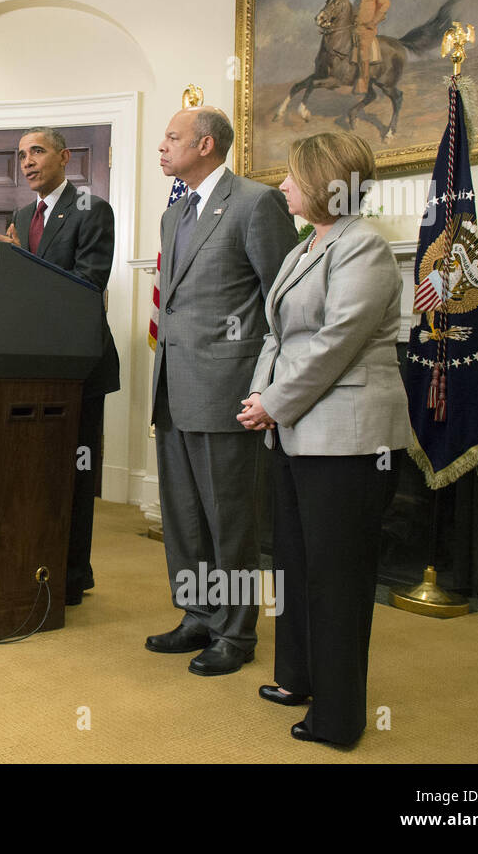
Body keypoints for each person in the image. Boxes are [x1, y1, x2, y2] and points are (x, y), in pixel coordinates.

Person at [238, 131, 409, 746]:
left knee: (336, 576)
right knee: (294, 563)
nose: (281, 186)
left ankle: (339, 718)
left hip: (348, 441)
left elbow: (337, 342)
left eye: (291, 176)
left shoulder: (363, 247)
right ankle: (296, 676)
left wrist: (275, 404)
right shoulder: (305, 247)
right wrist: (261, 400)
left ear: (325, 182)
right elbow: (276, 336)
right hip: (293, 431)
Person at [146, 106, 296, 675]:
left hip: (228, 390)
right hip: (173, 388)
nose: (162, 146)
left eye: (171, 137)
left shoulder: (257, 203)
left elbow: (282, 302)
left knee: (230, 519)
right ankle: (199, 614)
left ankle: (236, 634)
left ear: (205, 145)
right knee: (184, 516)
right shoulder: (175, 211)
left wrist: (270, 389)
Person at [0, 127, 119, 607]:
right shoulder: (22, 213)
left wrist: (23, 262)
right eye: (21, 155)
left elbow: (87, 284)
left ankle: (73, 575)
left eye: (36, 151)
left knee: (74, 473)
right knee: (36, 473)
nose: (27, 162)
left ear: (64, 157)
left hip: (77, 364)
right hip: (31, 363)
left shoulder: (91, 209)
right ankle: (33, 562)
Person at [354, 0, 390, 94]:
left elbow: (385, 5)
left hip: (367, 29)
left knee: (363, 49)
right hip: (355, 28)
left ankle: (363, 81)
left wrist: (374, 21)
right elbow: (354, 13)